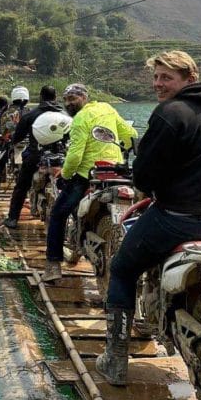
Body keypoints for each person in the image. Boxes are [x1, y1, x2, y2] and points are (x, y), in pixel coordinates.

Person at [95, 51, 201, 386]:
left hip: (178, 219)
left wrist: (151, 180)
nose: (158, 84)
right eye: (155, 77)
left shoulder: (170, 113)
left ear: (189, 79)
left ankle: (115, 360)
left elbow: (144, 176)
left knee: (123, 268)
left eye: (166, 77)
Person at [42, 83, 136, 283]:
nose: (70, 103)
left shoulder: (79, 120)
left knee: (58, 214)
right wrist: (122, 150)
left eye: (73, 98)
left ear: (84, 97)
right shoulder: (107, 109)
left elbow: (75, 156)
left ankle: (52, 265)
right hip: (116, 171)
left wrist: (65, 175)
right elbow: (130, 135)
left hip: (88, 175)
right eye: (67, 100)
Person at [2, 85, 63, 228]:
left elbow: (17, 137)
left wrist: (13, 141)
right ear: (55, 97)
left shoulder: (31, 114)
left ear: (41, 97)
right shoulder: (65, 114)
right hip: (61, 156)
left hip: (37, 155)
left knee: (21, 186)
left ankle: (12, 218)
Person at [0, 86, 29, 184]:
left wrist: (5, 137)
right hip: (29, 143)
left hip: (12, 142)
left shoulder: (7, 113)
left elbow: (5, 131)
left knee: (1, 160)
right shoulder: (30, 112)